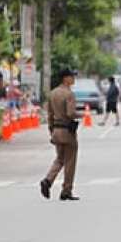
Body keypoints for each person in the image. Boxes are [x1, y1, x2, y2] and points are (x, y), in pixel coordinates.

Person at [40, 68, 80, 201]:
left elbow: (50, 115)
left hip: (56, 130)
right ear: (65, 78)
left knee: (59, 159)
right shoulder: (69, 94)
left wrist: (51, 131)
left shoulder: (53, 93)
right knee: (70, 161)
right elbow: (70, 113)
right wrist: (80, 114)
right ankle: (66, 190)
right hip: (67, 131)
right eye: (71, 76)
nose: (73, 79)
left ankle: (48, 180)